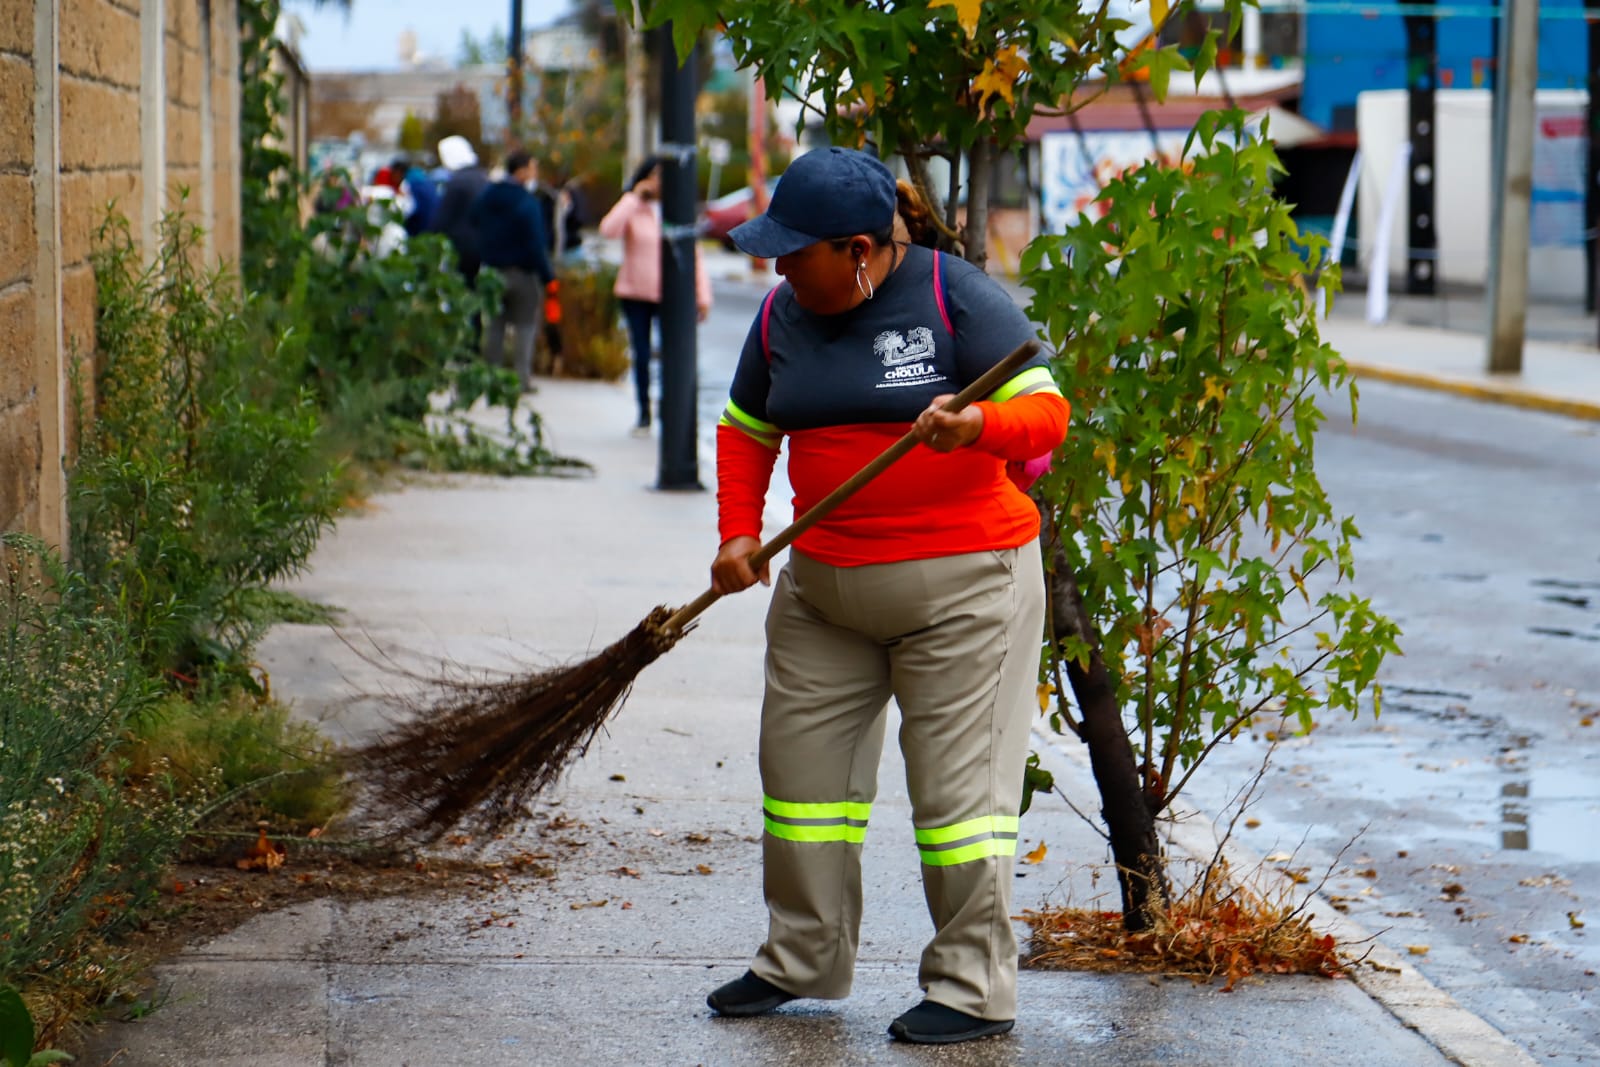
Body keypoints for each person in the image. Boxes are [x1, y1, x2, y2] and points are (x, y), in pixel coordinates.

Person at [702, 147, 1071, 1046]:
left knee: (960, 804)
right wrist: (738, 533)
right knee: (802, 784)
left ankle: (973, 986)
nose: (778, 268)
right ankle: (801, 955)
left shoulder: (955, 297)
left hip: (966, 593)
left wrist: (977, 422)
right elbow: (748, 427)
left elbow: (1046, 410)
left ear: (860, 249)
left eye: (796, 252)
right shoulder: (782, 315)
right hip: (824, 591)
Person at [598, 156, 712, 435]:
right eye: (654, 175)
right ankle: (643, 413)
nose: (659, 181)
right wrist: (633, 197)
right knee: (642, 353)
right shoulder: (635, 208)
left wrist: (702, 295)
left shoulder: (678, 208)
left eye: (664, 175)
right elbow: (608, 230)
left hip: (671, 295)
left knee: (676, 353)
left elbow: (693, 253)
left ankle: (674, 411)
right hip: (636, 292)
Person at [468, 148, 556, 392]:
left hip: (493, 269)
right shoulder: (527, 201)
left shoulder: (489, 195)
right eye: (532, 167)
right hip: (523, 272)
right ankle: (520, 379)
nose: (534, 173)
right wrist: (548, 275)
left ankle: (492, 377)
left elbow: (473, 218)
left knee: (495, 325)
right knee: (525, 327)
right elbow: (536, 241)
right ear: (521, 170)